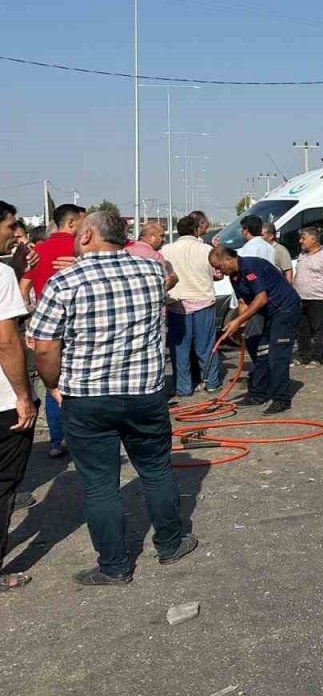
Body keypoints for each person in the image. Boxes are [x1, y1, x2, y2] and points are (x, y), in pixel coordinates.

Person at [27, 209, 197, 585]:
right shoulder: (152, 273)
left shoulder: (65, 281)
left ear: (86, 236)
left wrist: (54, 384)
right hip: (144, 394)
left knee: (100, 484)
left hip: (87, 399)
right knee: (156, 470)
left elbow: (43, 347)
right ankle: (170, 544)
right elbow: (169, 278)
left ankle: (115, 566)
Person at [21, 202, 85, 459]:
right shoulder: (79, 250)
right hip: (77, 328)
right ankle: (80, 438)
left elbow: (23, 286)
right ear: (71, 223)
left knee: (52, 383)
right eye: (83, 221)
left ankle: (57, 441)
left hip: (46, 329)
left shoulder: (37, 252)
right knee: (79, 384)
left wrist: (31, 314)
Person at [209, 245, 301, 413]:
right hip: (265, 313)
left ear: (228, 259)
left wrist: (237, 321)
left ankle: (282, 399)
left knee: (277, 355)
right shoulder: (234, 277)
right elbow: (244, 302)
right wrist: (242, 326)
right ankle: (259, 393)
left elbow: (261, 298)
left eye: (218, 266)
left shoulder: (251, 266)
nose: (217, 271)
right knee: (257, 348)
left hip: (284, 310)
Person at [0, 201, 37, 592]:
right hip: (1, 400)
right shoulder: (0, 276)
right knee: (3, 484)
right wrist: (23, 395)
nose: (15, 232)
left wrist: (20, 272)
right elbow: (7, 341)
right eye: (11, 225)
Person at [162, 214, 223, 397]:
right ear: (197, 229)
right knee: (206, 347)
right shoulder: (206, 249)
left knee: (179, 350)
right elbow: (218, 274)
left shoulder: (166, 250)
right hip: (203, 302)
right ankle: (211, 383)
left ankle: (183, 387)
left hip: (176, 305)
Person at [292, 226, 323, 368]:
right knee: (301, 330)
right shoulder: (302, 255)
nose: (300, 241)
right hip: (300, 298)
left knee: (318, 330)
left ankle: (317, 358)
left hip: (318, 299)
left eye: (303, 238)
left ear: (313, 239)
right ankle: (304, 356)